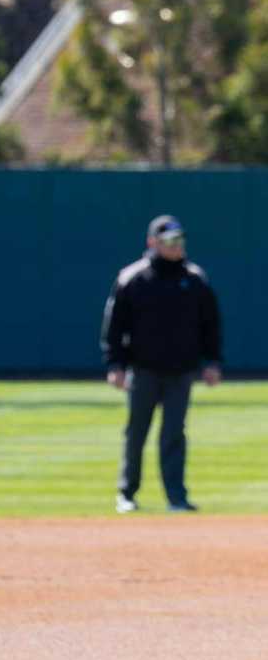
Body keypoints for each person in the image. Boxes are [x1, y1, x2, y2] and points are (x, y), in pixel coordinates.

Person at [101, 214, 223, 514]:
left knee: (174, 434)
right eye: (169, 241)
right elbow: (114, 325)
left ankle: (176, 497)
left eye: (179, 241)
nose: (176, 247)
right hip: (143, 369)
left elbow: (211, 324)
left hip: (181, 370)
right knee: (136, 433)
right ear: (152, 243)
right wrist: (115, 364)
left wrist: (212, 361)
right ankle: (126, 494)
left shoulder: (194, 279)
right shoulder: (133, 278)